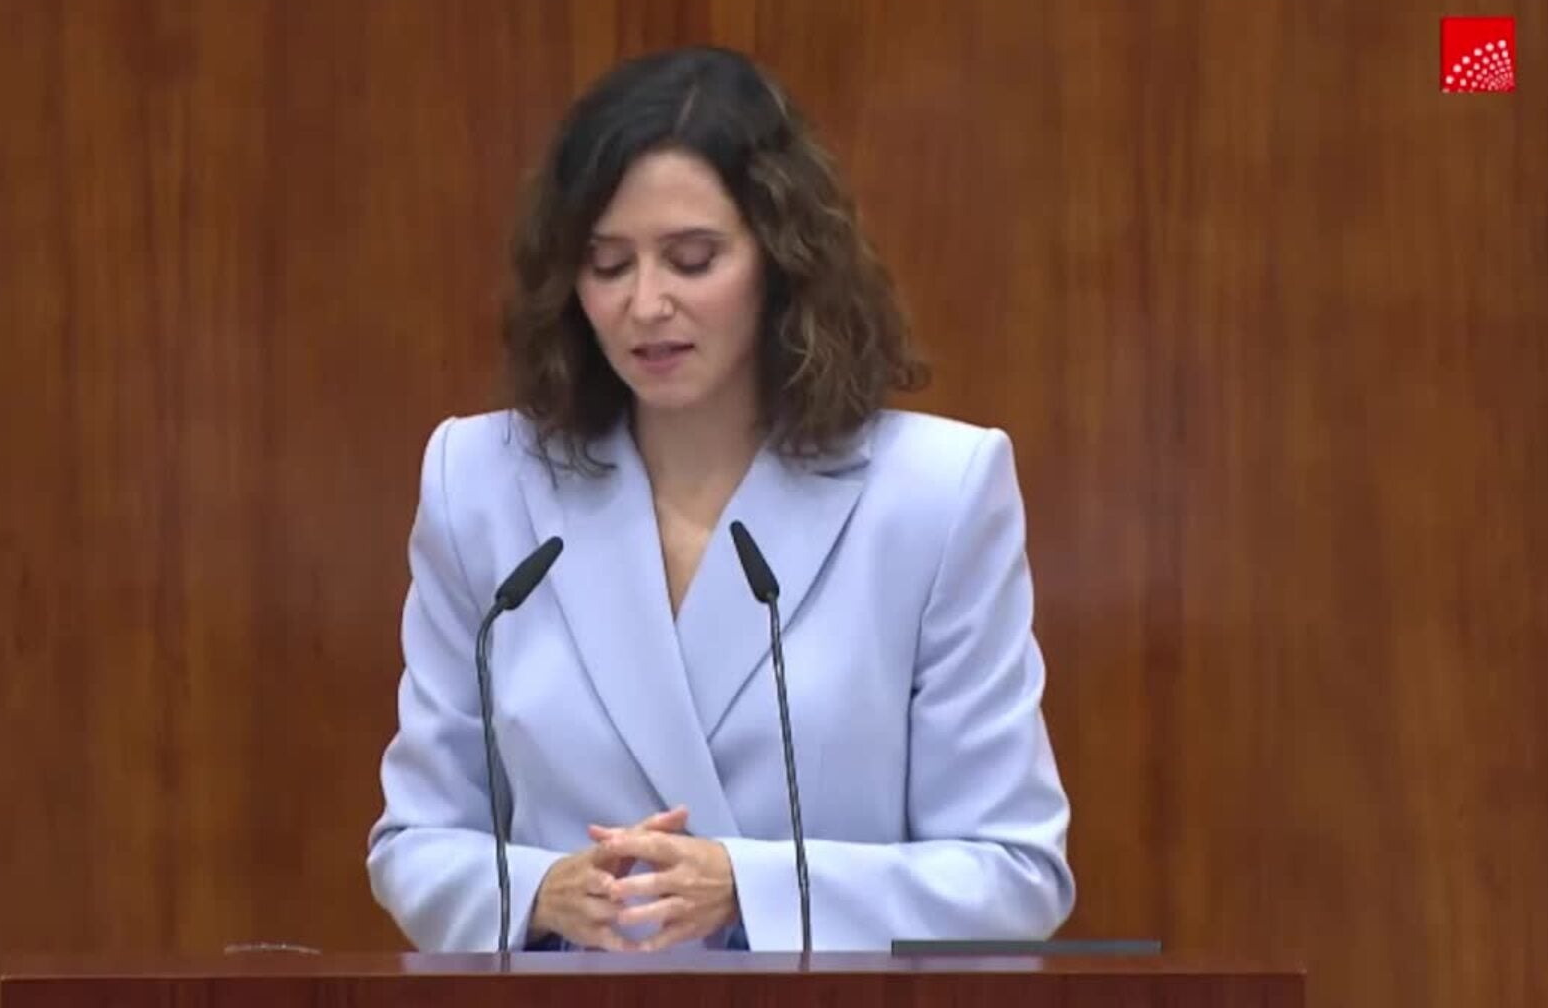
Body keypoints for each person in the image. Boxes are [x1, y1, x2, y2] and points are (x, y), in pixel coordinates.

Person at [365, 46, 1074, 953]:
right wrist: (542, 891)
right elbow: (416, 843)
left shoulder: (935, 493)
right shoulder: (481, 480)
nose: (646, 304)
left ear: (782, 260)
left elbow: (1015, 876)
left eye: (692, 260)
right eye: (607, 265)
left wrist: (749, 888)